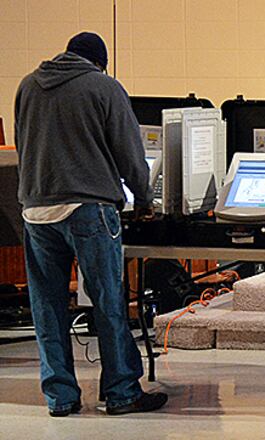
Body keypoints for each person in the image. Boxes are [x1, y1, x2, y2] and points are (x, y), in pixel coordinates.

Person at [15, 32, 167, 417]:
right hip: (89, 208)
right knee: (108, 303)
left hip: (36, 210)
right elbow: (130, 153)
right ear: (100, 61)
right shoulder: (104, 87)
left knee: (47, 307)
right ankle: (120, 393)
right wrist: (144, 199)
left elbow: (23, 142)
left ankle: (60, 397)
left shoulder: (28, 85)